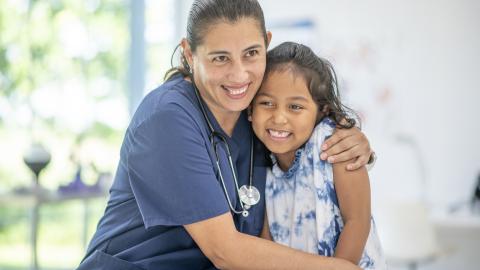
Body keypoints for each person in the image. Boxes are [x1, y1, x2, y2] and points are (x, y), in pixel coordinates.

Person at [77, 1, 374, 269]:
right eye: (220, 58)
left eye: (251, 54)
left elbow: (308, 148)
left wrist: (349, 139)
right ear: (189, 53)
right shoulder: (167, 119)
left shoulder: (258, 115)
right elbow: (225, 251)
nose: (239, 75)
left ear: (266, 45)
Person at [250, 42, 387, 269]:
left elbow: (357, 221)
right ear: (250, 109)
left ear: (321, 110)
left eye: (295, 107)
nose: (279, 118)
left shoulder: (335, 145)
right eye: (266, 103)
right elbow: (268, 237)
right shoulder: (260, 156)